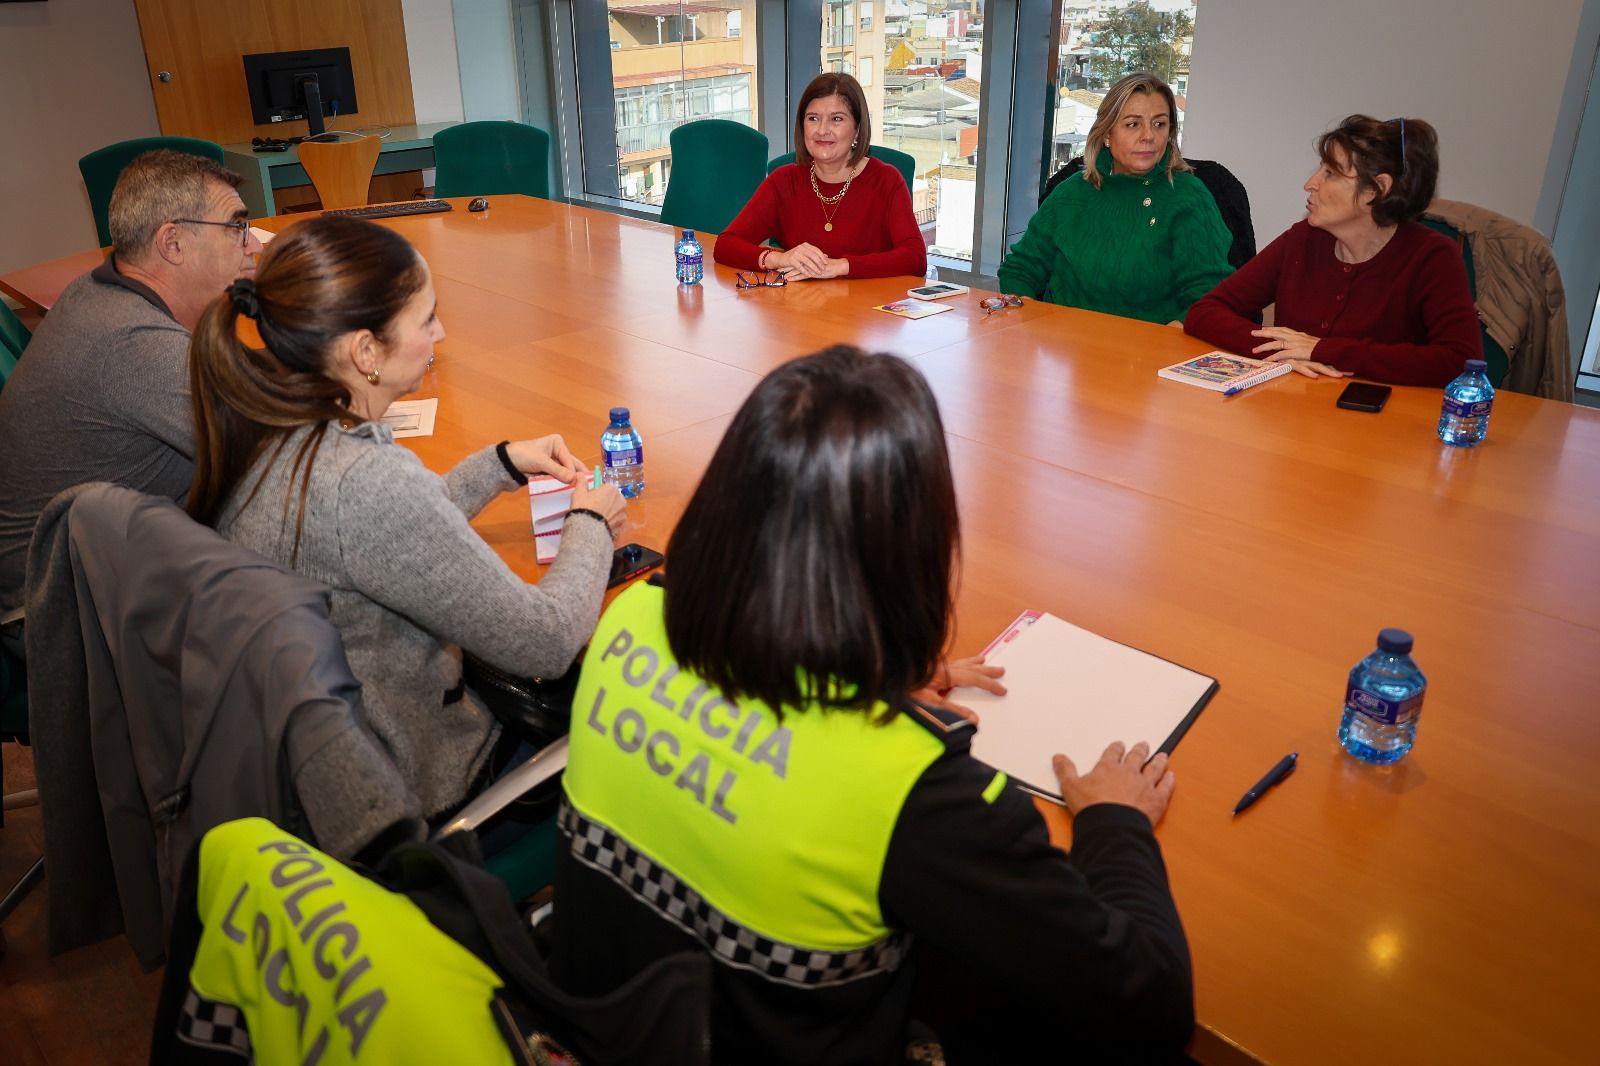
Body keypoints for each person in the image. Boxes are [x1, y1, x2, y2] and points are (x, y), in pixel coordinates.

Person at [551, 347, 1193, 1065]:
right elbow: (1152, 1007)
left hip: (615, 1028)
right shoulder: (917, 796)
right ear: (915, 550)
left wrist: (869, 680)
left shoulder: (631, 617)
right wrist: (1114, 822)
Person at [184, 215, 626, 824]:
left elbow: (390, 538)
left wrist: (498, 465)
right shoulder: (364, 482)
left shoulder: (270, 427)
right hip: (424, 786)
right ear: (366, 351)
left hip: (314, 774)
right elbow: (546, 642)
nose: (441, 332)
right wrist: (590, 523)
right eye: (426, 319)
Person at [0, 149, 263, 610]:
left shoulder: (100, 289)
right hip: (65, 609)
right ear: (173, 243)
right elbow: (278, 457)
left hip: (94, 562)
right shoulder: (132, 344)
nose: (254, 245)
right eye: (237, 227)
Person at [1185, 115, 1481, 386]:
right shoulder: (1303, 239)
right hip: (1293, 409)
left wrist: (1322, 350)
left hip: (1382, 419)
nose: (1310, 184)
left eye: (1330, 173)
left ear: (1377, 189)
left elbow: (1459, 361)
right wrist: (1280, 352)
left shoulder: (1432, 257)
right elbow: (1204, 312)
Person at [997, 71, 1232, 326]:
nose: (1149, 136)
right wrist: (1027, 316)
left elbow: (1209, 293)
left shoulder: (1188, 197)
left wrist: (1179, 329)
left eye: (1159, 124)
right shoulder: (1072, 193)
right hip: (1065, 344)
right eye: (1133, 124)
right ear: (1107, 134)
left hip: (1149, 347)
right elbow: (1021, 268)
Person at [713, 72, 926, 280]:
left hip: (869, 302)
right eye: (813, 118)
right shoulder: (784, 181)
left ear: (858, 129)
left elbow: (915, 257)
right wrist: (778, 259)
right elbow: (726, 245)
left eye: (836, 119)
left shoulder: (886, 180)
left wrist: (841, 266)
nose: (822, 130)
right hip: (803, 301)